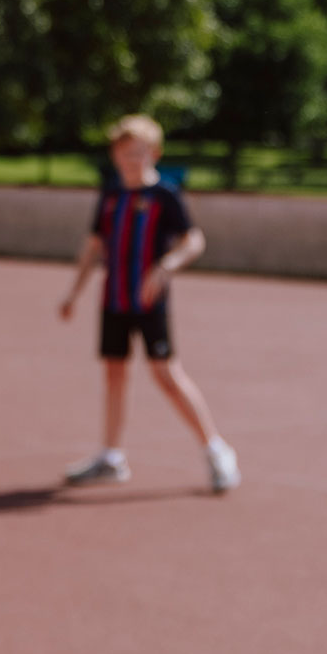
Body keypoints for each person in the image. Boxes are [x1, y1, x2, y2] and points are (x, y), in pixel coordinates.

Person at [59, 115, 239, 493]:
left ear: (154, 154)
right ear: (115, 155)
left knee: (166, 374)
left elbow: (194, 240)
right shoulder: (111, 196)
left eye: (139, 153)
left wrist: (166, 266)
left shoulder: (164, 196)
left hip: (149, 302)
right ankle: (111, 456)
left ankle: (215, 448)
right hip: (114, 299)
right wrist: (74, 292)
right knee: (114, 372)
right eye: (125, 153)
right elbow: (94, 246)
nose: (131, 160)